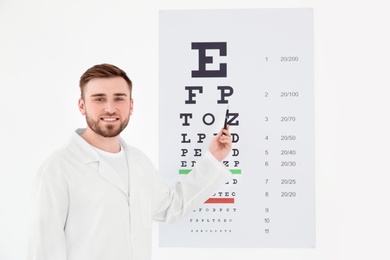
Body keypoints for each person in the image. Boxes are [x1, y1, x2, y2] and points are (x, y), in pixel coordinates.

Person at [29, 63, 232, 260]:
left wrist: (213, 159)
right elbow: (44, 251)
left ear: (131, 105)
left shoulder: (139, 162)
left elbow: (172, 207)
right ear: (82, 106)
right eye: (99, 99)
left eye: (119, 98)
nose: (110, 108)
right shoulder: (58, 169)